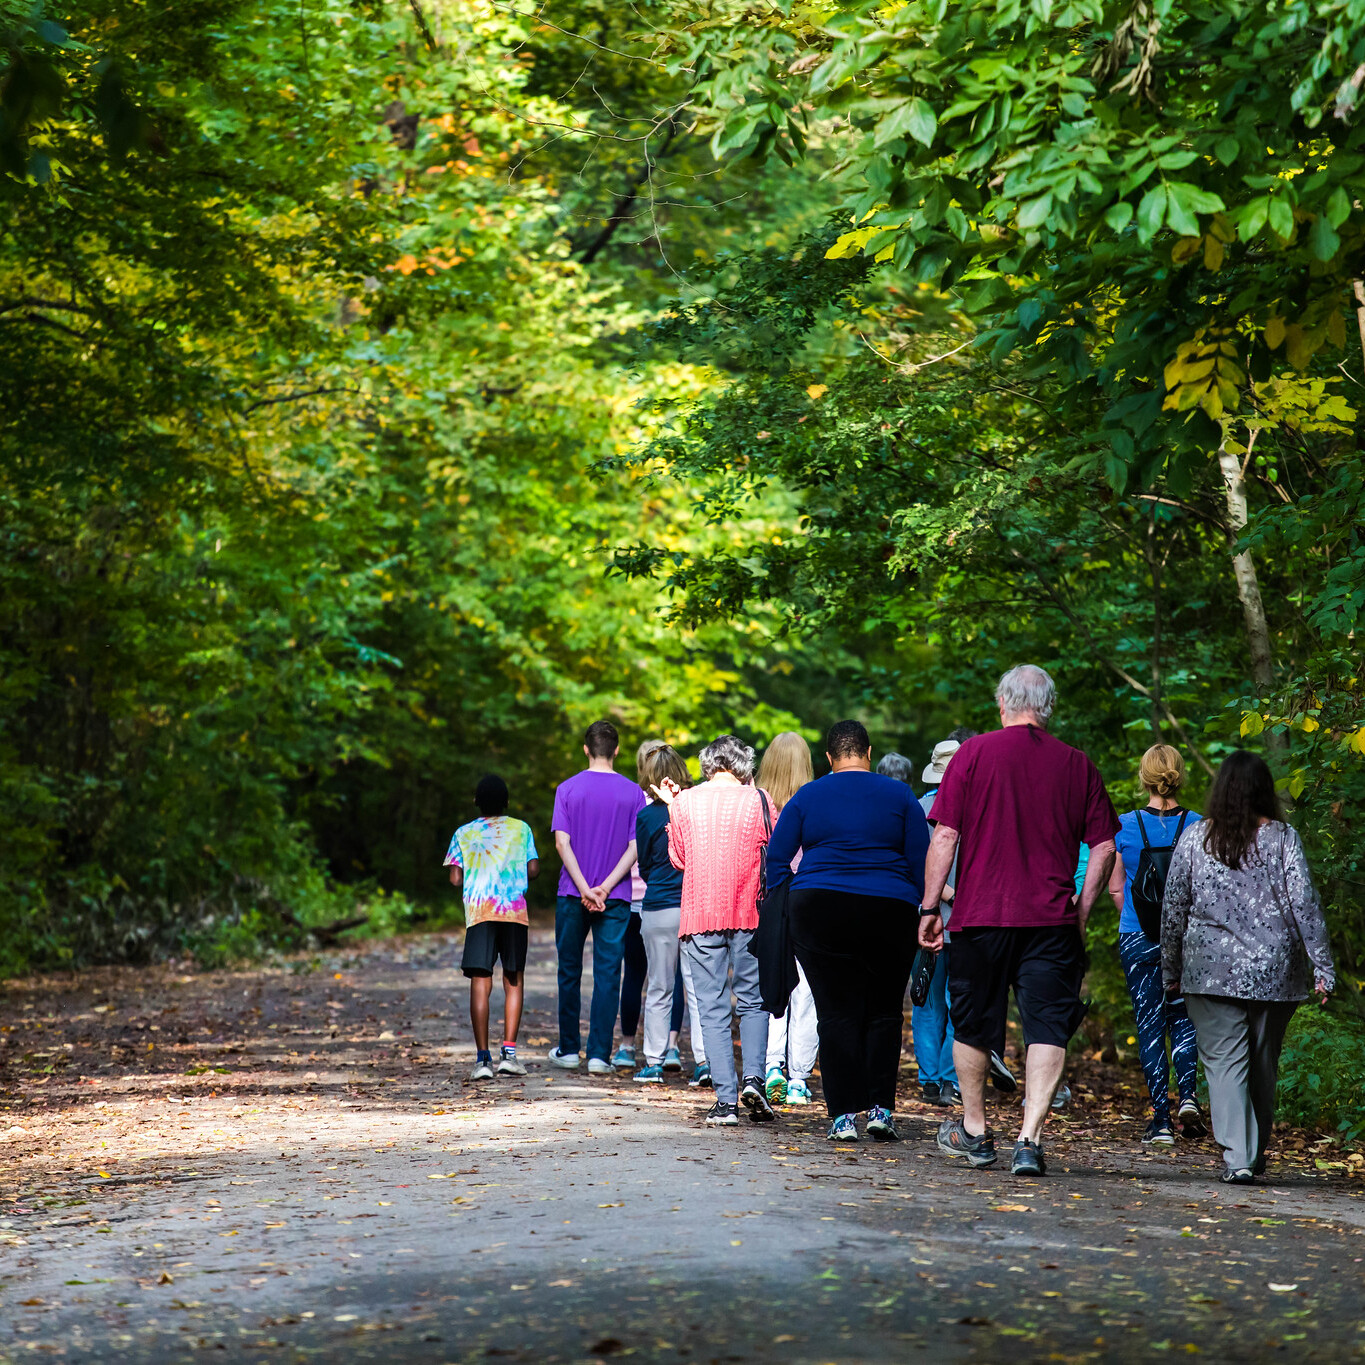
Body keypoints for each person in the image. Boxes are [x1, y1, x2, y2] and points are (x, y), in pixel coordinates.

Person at [920, 665, 1118, 1177]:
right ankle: (1029, 1140)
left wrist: (928, 907)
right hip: (1050, 920)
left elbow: (944, 836)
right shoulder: (1078, 766)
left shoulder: (971, 755)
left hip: (979, 916)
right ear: (1048, 706)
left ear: (1002, 703)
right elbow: (1104, 846)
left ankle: (976, 1130)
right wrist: (1080, 908)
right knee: (1047, 1027)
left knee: (972, 1023)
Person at [1162, 750, 1333, 1185]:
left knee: (1225, 1064)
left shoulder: (1196, 837)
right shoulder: (1283, 838)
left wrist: (1170, 968)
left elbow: (1174, 908)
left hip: (1208, 970)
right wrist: (1322, 967)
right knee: (1261, 1064)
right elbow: (1306, 905)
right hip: (1274, 972)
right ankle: (1248, 1155)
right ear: (1263, 789)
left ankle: (1241, 1157)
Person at [767, 720, 931, 1142]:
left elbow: (777, 859)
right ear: (869, 752)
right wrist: (916, 906)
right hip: (889, 908)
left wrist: (787, 904)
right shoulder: (900, 795)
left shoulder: (807, 795)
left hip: (820, 908)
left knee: (835, 1011)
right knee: (883, 1011)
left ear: (829, 757)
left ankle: (843, 1116)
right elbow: (920, 860)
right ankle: (880, 1109)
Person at [656, 733, 776, 1126]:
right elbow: (772, 850)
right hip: (749, 914)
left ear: (708, 763)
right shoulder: (758, 799)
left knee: (711, 1006)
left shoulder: (684, 802)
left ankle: (726, 1102)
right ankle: (755, 1078)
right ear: (744, 765)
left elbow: (678, 859)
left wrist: (674, 810)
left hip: (701, 913)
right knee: (754, 1000)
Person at [1109, 744, 1205, 1146]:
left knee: (1149, 1024)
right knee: (1184, 1019)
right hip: (1188, 941)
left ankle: (1160, 1122)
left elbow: (1116, 887)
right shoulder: (1200, 825)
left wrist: (1138, 911)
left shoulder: (1124, 826)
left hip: (1138, 936)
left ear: (1144, 777)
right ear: (1179, 775)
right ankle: (1189, 1098)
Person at [549, 720, 646, 1075]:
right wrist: (605, 887)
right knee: (608, 974)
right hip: (616, 896)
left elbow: (562, 842)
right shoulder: (633, 793)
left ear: (586, 749)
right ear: (616, 750)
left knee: (569, 970)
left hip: (572, 893)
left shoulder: (567, 789)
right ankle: (599, 1056)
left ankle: (569, 1049)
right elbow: (635, 847)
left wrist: (585, 887)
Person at [444, 774, 540, 1081]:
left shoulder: (463, 833)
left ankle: (482, 1059)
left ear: (476, 802)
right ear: (507, 803)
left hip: (480, 912)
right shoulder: (521, 829)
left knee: (480, 981)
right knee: (513, 979)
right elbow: (533, 869)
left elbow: (455, 878)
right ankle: (509, 1054)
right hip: (512, 912)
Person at [632, 741, 709, 1083]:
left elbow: (645, 867)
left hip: (658, 908)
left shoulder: (646, 817)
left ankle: (653, 1062)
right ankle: (707, 1063)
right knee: (698, 989)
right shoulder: (696, 811)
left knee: (660, 988)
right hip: (694, 907)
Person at [760, 732, 819, 1107]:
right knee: (806, 991)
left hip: (770, 903)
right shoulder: (815, 800)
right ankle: (799, 1076)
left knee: (773, 984)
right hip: (808, 899)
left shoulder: (758, 803)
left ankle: (771, 1067)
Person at [905, 739, 960, 1107]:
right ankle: (949, 1078)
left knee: (926, 998)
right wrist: (954, 894)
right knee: (962, 1002)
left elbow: (910, 865)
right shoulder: (977, 809)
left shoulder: (916, 809)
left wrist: (937, 894)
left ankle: (928, 1077)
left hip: (923, 919)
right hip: (966, 920)